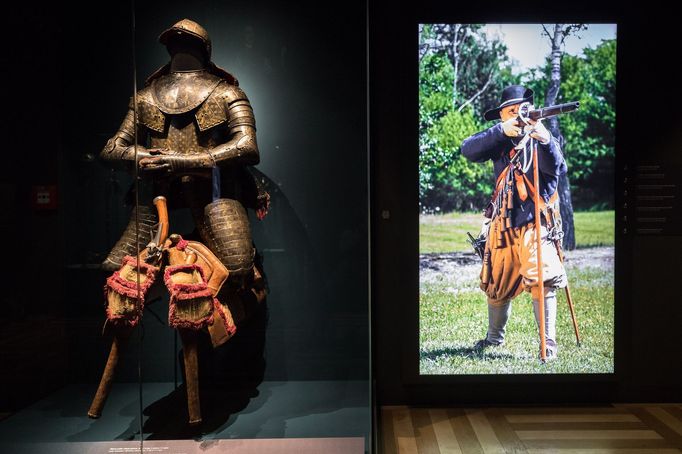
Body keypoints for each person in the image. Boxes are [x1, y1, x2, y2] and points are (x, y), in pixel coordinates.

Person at [461, 85, 568, 359]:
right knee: (496, 283)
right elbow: (468, 150)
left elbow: (555, 169)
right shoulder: (499, 138)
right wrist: (501, 131)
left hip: (536, 220)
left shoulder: (543, 137)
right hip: (503, 221)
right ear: (502, 116)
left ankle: (548, 345)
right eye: (508, 113)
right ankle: (493, 339)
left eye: (518, 110)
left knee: (542, 277)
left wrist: (543, 139)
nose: (516, 116)